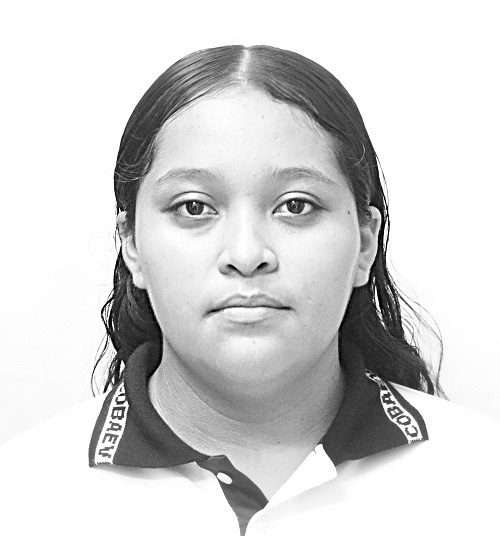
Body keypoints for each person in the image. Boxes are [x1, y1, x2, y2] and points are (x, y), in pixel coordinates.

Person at [1, 45, 499, 536]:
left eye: (296, 206)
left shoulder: (482, 482)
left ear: (365, 243)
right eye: (194, 207)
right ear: (131, 244)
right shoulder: (22, 496)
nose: (246, 254)